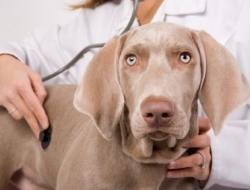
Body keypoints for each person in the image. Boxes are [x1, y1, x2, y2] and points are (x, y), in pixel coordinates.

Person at [0, 0, 249, 189]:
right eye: (131, 59)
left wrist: (221, 153)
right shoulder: (107, 12)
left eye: (184, 57)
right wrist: (5, 61)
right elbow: (32, 52)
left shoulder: (237, 11)